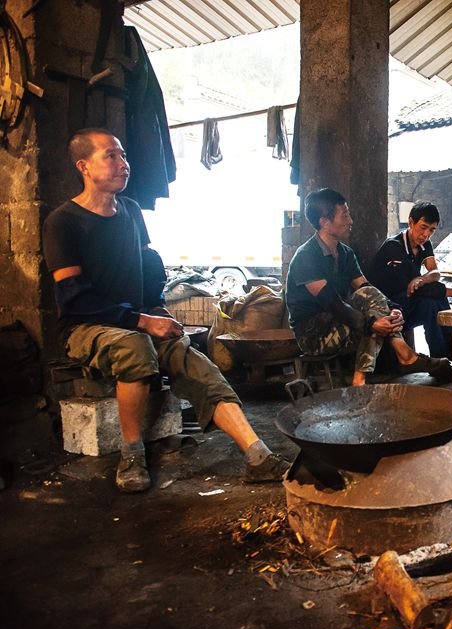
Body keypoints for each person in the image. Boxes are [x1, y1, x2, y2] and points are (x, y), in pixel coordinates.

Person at [42, 129, 288, 493]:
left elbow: (148, 270)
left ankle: (259, 456)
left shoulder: (130, 212)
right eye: (110, 156)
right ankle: (131, 455)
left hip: (136, 319)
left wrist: (159, 313)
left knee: (200, 366)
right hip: (87, 326)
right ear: (83, 166)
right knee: (134, 347)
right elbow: (75, 297)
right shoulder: (63, 222)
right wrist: (141, 321)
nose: (123, 164)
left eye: (123, 156)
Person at [285, 188, 452, 386]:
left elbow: (365, 287)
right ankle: (403, 354)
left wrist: (393, 307)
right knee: (372, 319)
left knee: (370, 298)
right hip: (314, 334)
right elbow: (332, 303)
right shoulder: (306, 257)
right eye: (345, 215)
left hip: (340, 322)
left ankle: (361, 378)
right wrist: (370, 323)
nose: (350, 221)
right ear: (324, 222)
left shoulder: (345, 253)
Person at [368, 201, 452, 359]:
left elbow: (435, 272)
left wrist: (423, 279)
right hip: (389, 307)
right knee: (432, 302)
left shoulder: (424, 244)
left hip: (408, 302)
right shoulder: (394, 247)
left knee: (432, 304)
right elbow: (410, 289)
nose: (426, 235)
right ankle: (444, 357)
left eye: (431, 230)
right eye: (423, 227)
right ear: (411, 222)